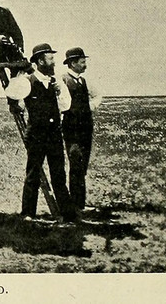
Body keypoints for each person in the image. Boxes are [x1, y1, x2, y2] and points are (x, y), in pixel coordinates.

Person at [19, 43, 78, 222]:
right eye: (50, 58)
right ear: (40, 61)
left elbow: (65, 106)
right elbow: (17, 104)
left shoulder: (56, 82)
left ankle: (67, 213)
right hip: (36, 135)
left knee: (58, 174)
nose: (54, 62)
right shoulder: (27, 81)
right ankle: (28, 213)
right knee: (33, 174)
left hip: (53, 135)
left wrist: (58, 93)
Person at [61, 47, 101, 211]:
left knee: (82, 165)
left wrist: (90, 107)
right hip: (72, 130)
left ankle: (80, 204)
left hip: (86, 128)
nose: (85, 65)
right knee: (76, 163)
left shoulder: (84, 81)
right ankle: (76, 204)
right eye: (82, 62)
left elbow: (98, 96)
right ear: (72, 63)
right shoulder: (63, 80)